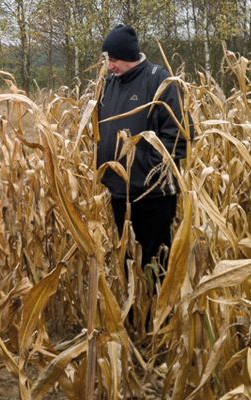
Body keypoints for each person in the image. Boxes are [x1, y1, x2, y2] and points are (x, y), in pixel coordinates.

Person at [97, 24, 193, 272]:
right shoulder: (110, 84)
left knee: (155, 263)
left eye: (114, 59)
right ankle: (133, 311)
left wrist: (148, 173)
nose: (110, 66)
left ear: (129, 56)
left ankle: (158, 310)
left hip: (153, 196)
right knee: (128, 261)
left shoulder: (159, 81)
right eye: (108, 60)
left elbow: (179, 134)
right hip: (120, 192)